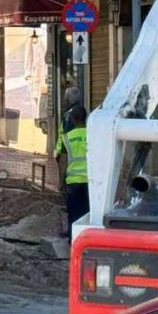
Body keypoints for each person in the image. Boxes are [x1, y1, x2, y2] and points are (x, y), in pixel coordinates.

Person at [57, 91, 89, 230]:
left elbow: (63, 158)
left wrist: (61, 180)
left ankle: (72, 238)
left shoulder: (68, 136)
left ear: (74, 119)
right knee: (87, 211)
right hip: (90, 180)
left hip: (73, 180)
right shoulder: (93, 135)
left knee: (73, 212)